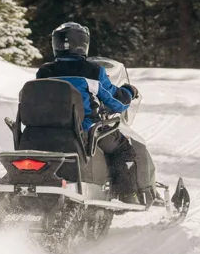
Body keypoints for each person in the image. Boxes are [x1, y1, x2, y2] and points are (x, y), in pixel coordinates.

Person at [36, 22, 142, 203]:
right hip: (85, 131)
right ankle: (127, 195)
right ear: (83, 44)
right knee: (122, 149)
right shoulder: (92, 71)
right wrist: (129, 92)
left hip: (44, 132)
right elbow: (115, 102)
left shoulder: (44, 71)